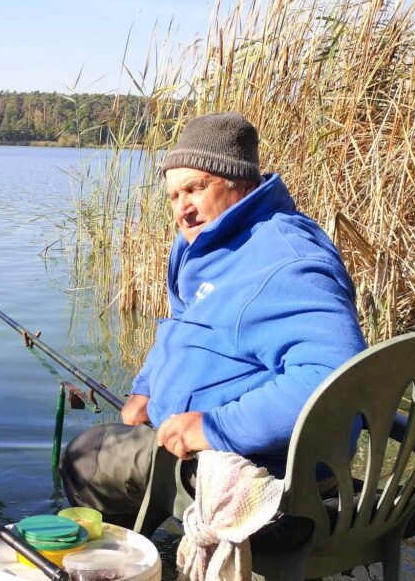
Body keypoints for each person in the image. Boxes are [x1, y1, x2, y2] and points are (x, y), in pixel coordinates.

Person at [60, 111, 367, 530]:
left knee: (88, 456)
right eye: (172, 195)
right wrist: (148, 388)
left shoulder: (286, 262)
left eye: (195, 188)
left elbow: (336, 381)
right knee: (115, 440)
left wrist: (214, 427)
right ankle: (146, 549)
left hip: (264, 470)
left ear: (238, 183)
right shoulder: (198, 246)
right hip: (196, 439)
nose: (182, 209)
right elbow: (183, 323)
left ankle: (128, 560)